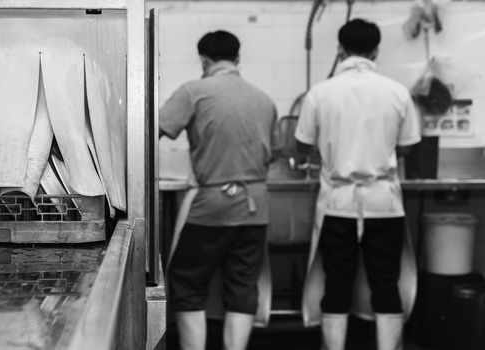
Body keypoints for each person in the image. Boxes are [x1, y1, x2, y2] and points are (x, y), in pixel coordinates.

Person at [295, 19, 421, 350]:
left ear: (340, 49)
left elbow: (302, 145)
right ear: (376, 51)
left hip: (339, 202)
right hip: (384, 204)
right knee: (385, 282)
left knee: (337, 281)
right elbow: (408, 145)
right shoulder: (396, 92)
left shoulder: (321, 93)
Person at [160, 30, 279, 350]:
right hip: (255, 206)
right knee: (242, 285)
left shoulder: (193, 91)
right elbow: (275, 152)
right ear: (237, 59)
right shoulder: (264, 99)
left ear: (203, 60)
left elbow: (150, 132)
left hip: (211, 206)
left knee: (187, 280)